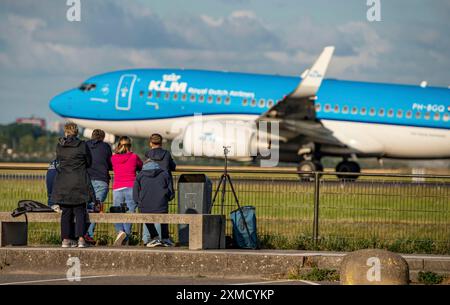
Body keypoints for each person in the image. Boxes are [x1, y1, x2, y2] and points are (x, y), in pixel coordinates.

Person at [50, 122, 93, 248]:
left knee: (66, 213)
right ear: (76, 132)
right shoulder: (82, 145)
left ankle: (65, 240)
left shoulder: (60, 146)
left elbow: (58, 161)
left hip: (63, 183)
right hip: (79, 182)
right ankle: (80, 239)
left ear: (66, 132)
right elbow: (89, 162)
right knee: (80, 212)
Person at [142, 133, 177, 245]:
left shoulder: (147, 154)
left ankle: (149, 238)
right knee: (163, 211)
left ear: (151, 143)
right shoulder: (166, 154)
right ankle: (165, 237)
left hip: (149, 185)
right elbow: (173, 166)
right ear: (161, 143)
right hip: (164, 185)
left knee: (147, 211)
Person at [133, 160, 174, 247]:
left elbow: (135, 194)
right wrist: (166, 198)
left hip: (144, 206)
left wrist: (138, 202)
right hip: (161, 205)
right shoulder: (165, 174)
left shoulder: (140, 175)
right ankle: (165, 238)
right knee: (163, 215)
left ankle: (155, 237)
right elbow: (171, 194)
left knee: (145, 215)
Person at [111, 136, 143, 246]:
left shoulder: (114, 158)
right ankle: (126, 236)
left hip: (117, 187)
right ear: (130, 145)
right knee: (130, 212)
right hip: (131, 187)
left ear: (119, 145)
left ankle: (120, 232)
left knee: (116, 211)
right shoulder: (134, 157)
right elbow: (141, 166)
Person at [85, 129, 113, 241]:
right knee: (96, 208)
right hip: (102, 180)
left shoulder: (85, 145)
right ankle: (89, 235)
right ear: (103, 137)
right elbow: (109, 163)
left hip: (86, 180)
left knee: (85, 208)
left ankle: (82, 234)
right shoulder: (106, 147)